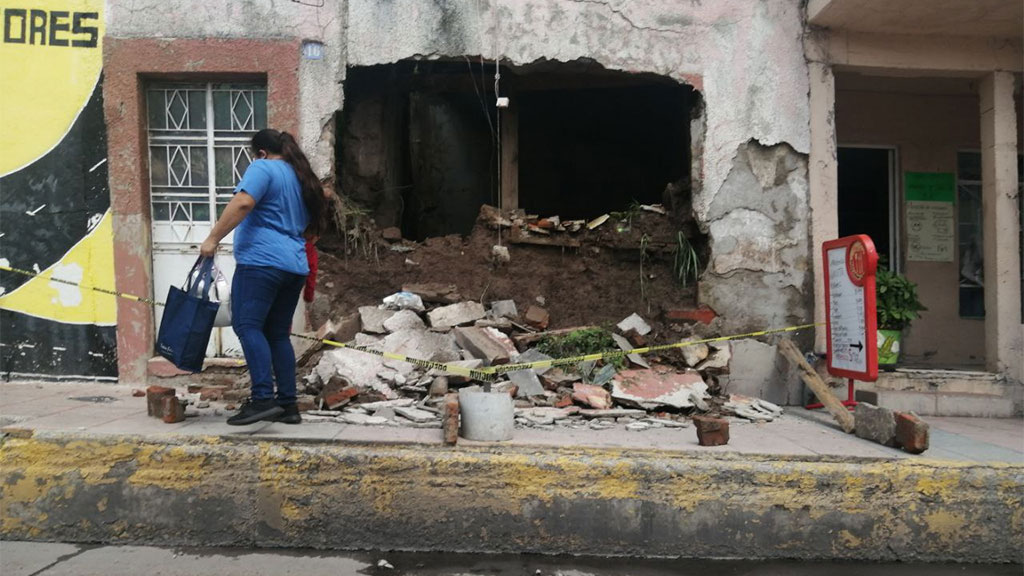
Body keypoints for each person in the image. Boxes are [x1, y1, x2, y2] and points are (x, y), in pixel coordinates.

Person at [200, 129, 326, 426]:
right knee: (277, 334)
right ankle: (287, 405)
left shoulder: (262, 168)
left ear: (260, 152)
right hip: (293, 265)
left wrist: (213, 239)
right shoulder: (300, 176)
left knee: (247, 325)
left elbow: (243, 203)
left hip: (261, 263)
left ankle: (261, 400)